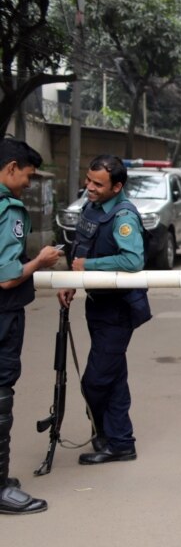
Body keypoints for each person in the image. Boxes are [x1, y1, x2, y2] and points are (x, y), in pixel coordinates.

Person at [58, 155, 149, 465]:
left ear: (117, 186)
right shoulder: (93, 207)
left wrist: (89, 267)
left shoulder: (123, 216)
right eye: (88, 180)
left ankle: (108, 436)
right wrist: (72, 279)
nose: (90, 187)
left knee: (95, 381)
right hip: (97, 305)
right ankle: (119, 442)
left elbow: (133, 260)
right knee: (113, 377)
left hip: (118, 309)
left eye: (98, 184)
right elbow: (81, 246)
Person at [0, 139, 62, 514]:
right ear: (10, 169)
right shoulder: (10, 210)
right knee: (1, 391)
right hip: (3, 313)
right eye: (27, 175)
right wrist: (40, 259)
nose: (28, 183)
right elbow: (7, 277)